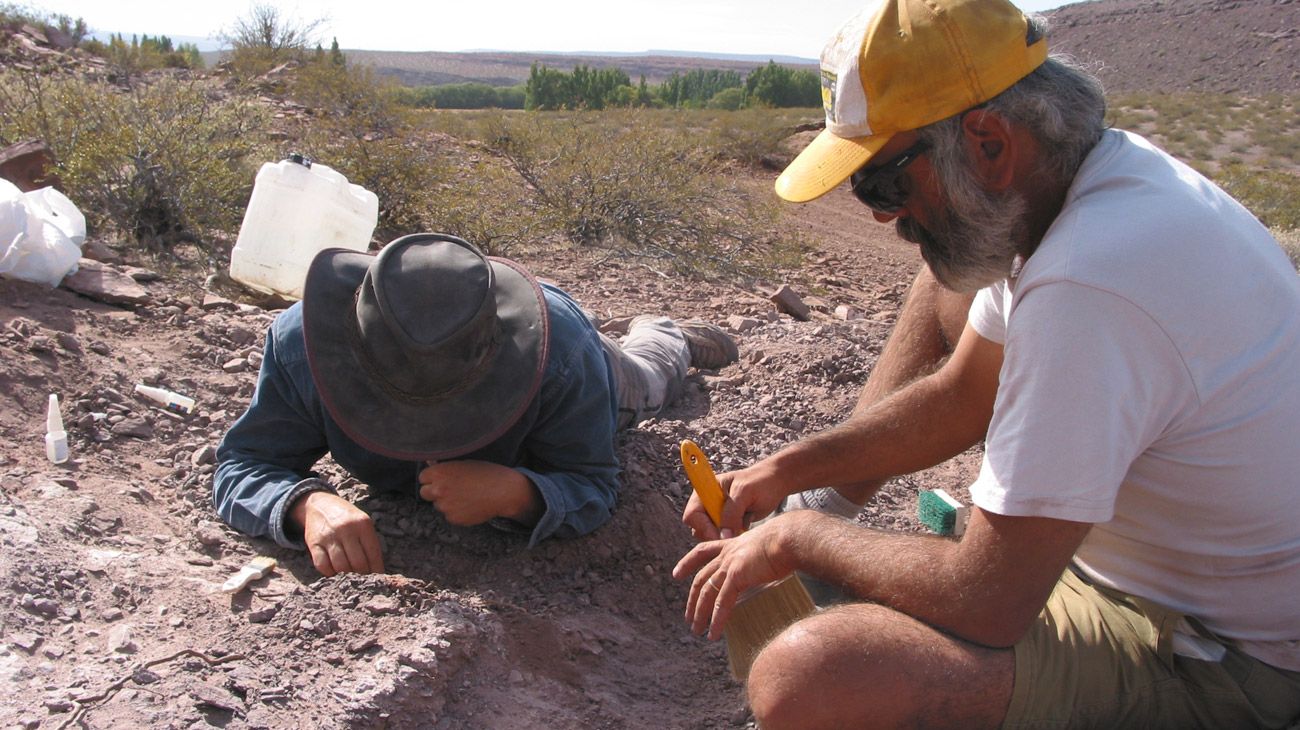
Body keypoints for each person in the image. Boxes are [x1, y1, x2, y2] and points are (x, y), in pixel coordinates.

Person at [673, 0, 1300, 727]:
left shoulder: (1089, 283)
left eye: (886, 183)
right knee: (944, 275)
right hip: (1129, 580)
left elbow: (989, 601)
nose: (881, 215)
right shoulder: (1084, 186)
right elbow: (962, 396)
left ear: (990, 141)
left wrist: (794, 537)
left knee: (810, 674)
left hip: (1222, 658)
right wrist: (788, 472)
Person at [214, 232, 737, 577]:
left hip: (568, 344)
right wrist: (309, 504)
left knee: (648, 380)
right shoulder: (303, 346)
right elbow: (243, 463)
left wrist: (519, 493)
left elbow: (593, 483)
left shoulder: (562, 357)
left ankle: (669, 334)